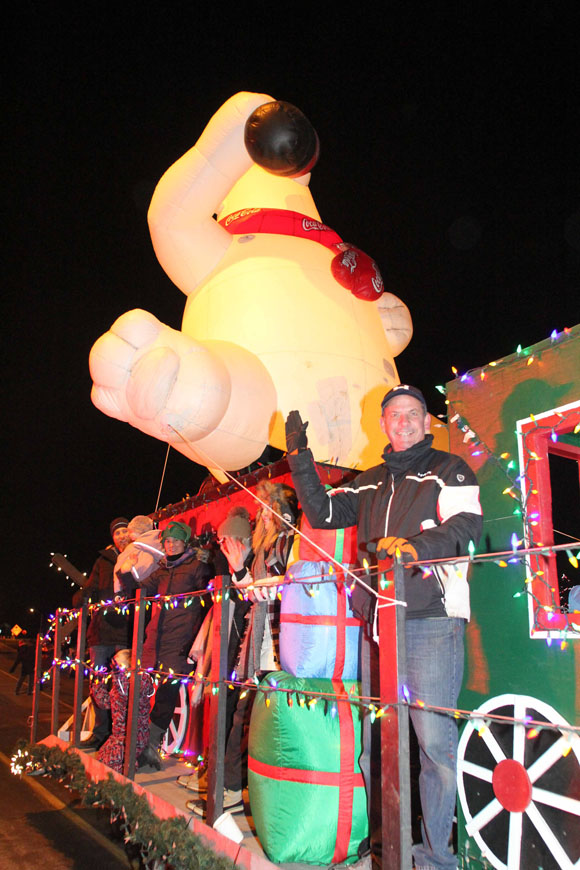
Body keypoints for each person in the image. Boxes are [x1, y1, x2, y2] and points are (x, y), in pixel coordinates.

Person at [285, 385, 483, 870]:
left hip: (431, 621)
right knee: (375, 745)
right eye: (395, 415)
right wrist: (299, 458)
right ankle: (384, 849)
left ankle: (435, 858)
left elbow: (467, 525)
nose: (404, 421)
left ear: (427, 422)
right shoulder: (369, 482)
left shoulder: (450, 469)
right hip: (378, 625)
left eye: (413, 413)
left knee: (434, 747)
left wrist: (415, 548)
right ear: (383, 424)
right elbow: (321, 512)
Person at [186, 482, 297, 817]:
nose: (261, 515)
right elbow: (254, 592)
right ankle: (232, 791)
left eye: (267, 507)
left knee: (261, 724)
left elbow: (291, 586)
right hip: (259, 644)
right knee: (242, 720)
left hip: (280, 645)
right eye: (260, 508)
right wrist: (239, 571)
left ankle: (256, 795)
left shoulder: (290, 542)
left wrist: (251, 579)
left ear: (281, 510)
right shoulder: (264, 548)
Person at [136, 521, 212, 768]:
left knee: (167, 693)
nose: (170, 545)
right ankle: (138, 743)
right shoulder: (162, 570)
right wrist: (127, 569)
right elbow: (139, 587)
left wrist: (196, 637)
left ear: (184, 543)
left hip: (180, 640)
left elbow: (208, 599)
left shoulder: (196, 568)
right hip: (156, 639)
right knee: (144, 689)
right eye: (167, 541)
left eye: (175, 541)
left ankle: (150, 745)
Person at [74, 516, 131, 750]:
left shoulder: (138, 556)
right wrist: (83, 596)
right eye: (117, 533)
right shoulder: (103, 561)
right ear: (112, 537)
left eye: (125, 531)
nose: (121, 536)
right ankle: (100, 733)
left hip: (125, 631)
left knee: (121, 688)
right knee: (98, 685)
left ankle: (120, 735)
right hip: (101, 632)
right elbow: (92, 587)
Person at [92, 649, 155, 773]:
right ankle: (135, 760)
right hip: (118, 734)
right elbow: (106, 703)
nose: (114, 670)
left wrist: (118, 675)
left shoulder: (140, 682)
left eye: (118, 666)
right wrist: (97, 685)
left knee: (114, 763)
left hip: (134, 735)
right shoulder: (118, 685)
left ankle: (130, 766)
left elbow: (126, 692)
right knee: (102, 757)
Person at [114, 514, 163, 593]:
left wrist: (118, 593)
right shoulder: (160, 543)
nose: (127, 535)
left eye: (129, 532)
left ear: (134, 533)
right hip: (157, 590)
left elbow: (118, 574)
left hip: (135, 590)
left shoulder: (131, 549)